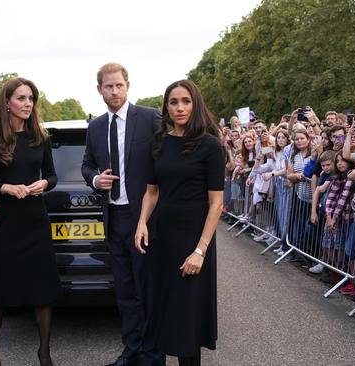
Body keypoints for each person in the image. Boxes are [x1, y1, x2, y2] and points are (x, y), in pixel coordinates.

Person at [134, 80, 223, 366]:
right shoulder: (159, 143)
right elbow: (151, 191)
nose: (179, 107)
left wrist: (200, 250)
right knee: (165, 314)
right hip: (163, 239)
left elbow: (216, 203)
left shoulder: (210, 146)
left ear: (195, 104)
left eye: (185, 101)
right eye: (173, 102)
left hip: (193, 239)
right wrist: (142, 223)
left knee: (188, 322)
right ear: (166, 107)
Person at [0, 77, 61, 366]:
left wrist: (43, 185)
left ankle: (44, 353)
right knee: (0, 289)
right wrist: (4, 188)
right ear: (7, 103)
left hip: (36, 219)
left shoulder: (40, 137)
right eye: (21, 98)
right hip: (8, 221)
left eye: (31, 99)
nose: (28, 104)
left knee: (43, 289)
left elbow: (51, 175)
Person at [81, 62, 163, 366]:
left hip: (144, 219)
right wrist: (94, 180)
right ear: (99, 89)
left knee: (148, 291)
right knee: (125, 293)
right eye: (108, 86)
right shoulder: (96, 126)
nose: (114, 91)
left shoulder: (150, 117)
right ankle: (131, 353)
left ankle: (153, 356)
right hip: (113, 219)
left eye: (119, 85)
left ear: (127, 85)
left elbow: (166, 161)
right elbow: (86, 164)